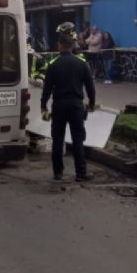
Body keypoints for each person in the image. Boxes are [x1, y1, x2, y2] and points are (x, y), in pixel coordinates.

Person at [41, 34, 96, 182]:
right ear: (72, 46)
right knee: (78, 139)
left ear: (60, 45)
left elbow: (46, 89)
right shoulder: (81, 63)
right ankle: (80, 173)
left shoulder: (54, 64)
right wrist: (91, 103)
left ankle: (58, 173)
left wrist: (43, 107)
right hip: (76, 105)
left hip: (59, 105)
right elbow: (90, 87)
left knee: (57, 139)